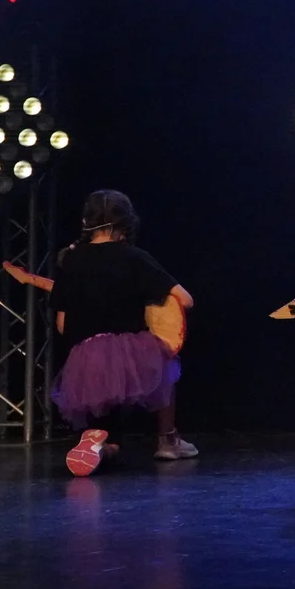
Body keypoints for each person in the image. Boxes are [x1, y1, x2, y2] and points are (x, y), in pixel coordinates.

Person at [47, 190, 198, 476]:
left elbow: (62, 322)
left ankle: (98, 443)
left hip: (84, 357)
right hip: (129, 353)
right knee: (166, 366)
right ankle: (167, 440)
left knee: (105, 422)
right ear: (126, 222)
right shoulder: (134, 257)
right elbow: (185, 300)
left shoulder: (70, 260)